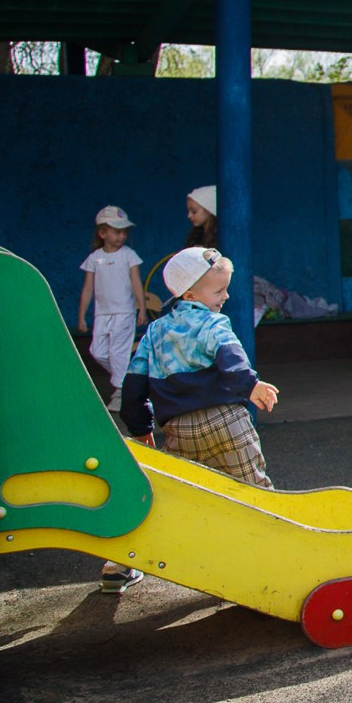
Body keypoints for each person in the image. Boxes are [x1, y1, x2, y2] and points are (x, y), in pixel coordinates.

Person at [118, 247, 280, 592]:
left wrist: (141, 427)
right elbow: (231, 358)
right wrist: (251, 385)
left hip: (179, 430)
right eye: (219, 290)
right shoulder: (213, 323)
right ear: (190, 295)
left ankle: (122, 562)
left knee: (182, 498)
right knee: (253, 489)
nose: (226, 296)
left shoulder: (154, 333)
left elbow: (133, 386)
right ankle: (274, 554)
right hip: (227, 421)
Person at [78, 204, 146, 410]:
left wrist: (141, 308)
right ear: (102, 233)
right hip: (102, 314)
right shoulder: (95, 258)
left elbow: (136, 282)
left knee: (118, 352)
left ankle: (121, 391)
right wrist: (82, 316)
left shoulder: (129, 255)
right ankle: (128, 380)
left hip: (124, 312)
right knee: (97, 351)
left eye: (124, 232)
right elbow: (87, 288)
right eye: (117, 231)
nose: (122, 236)